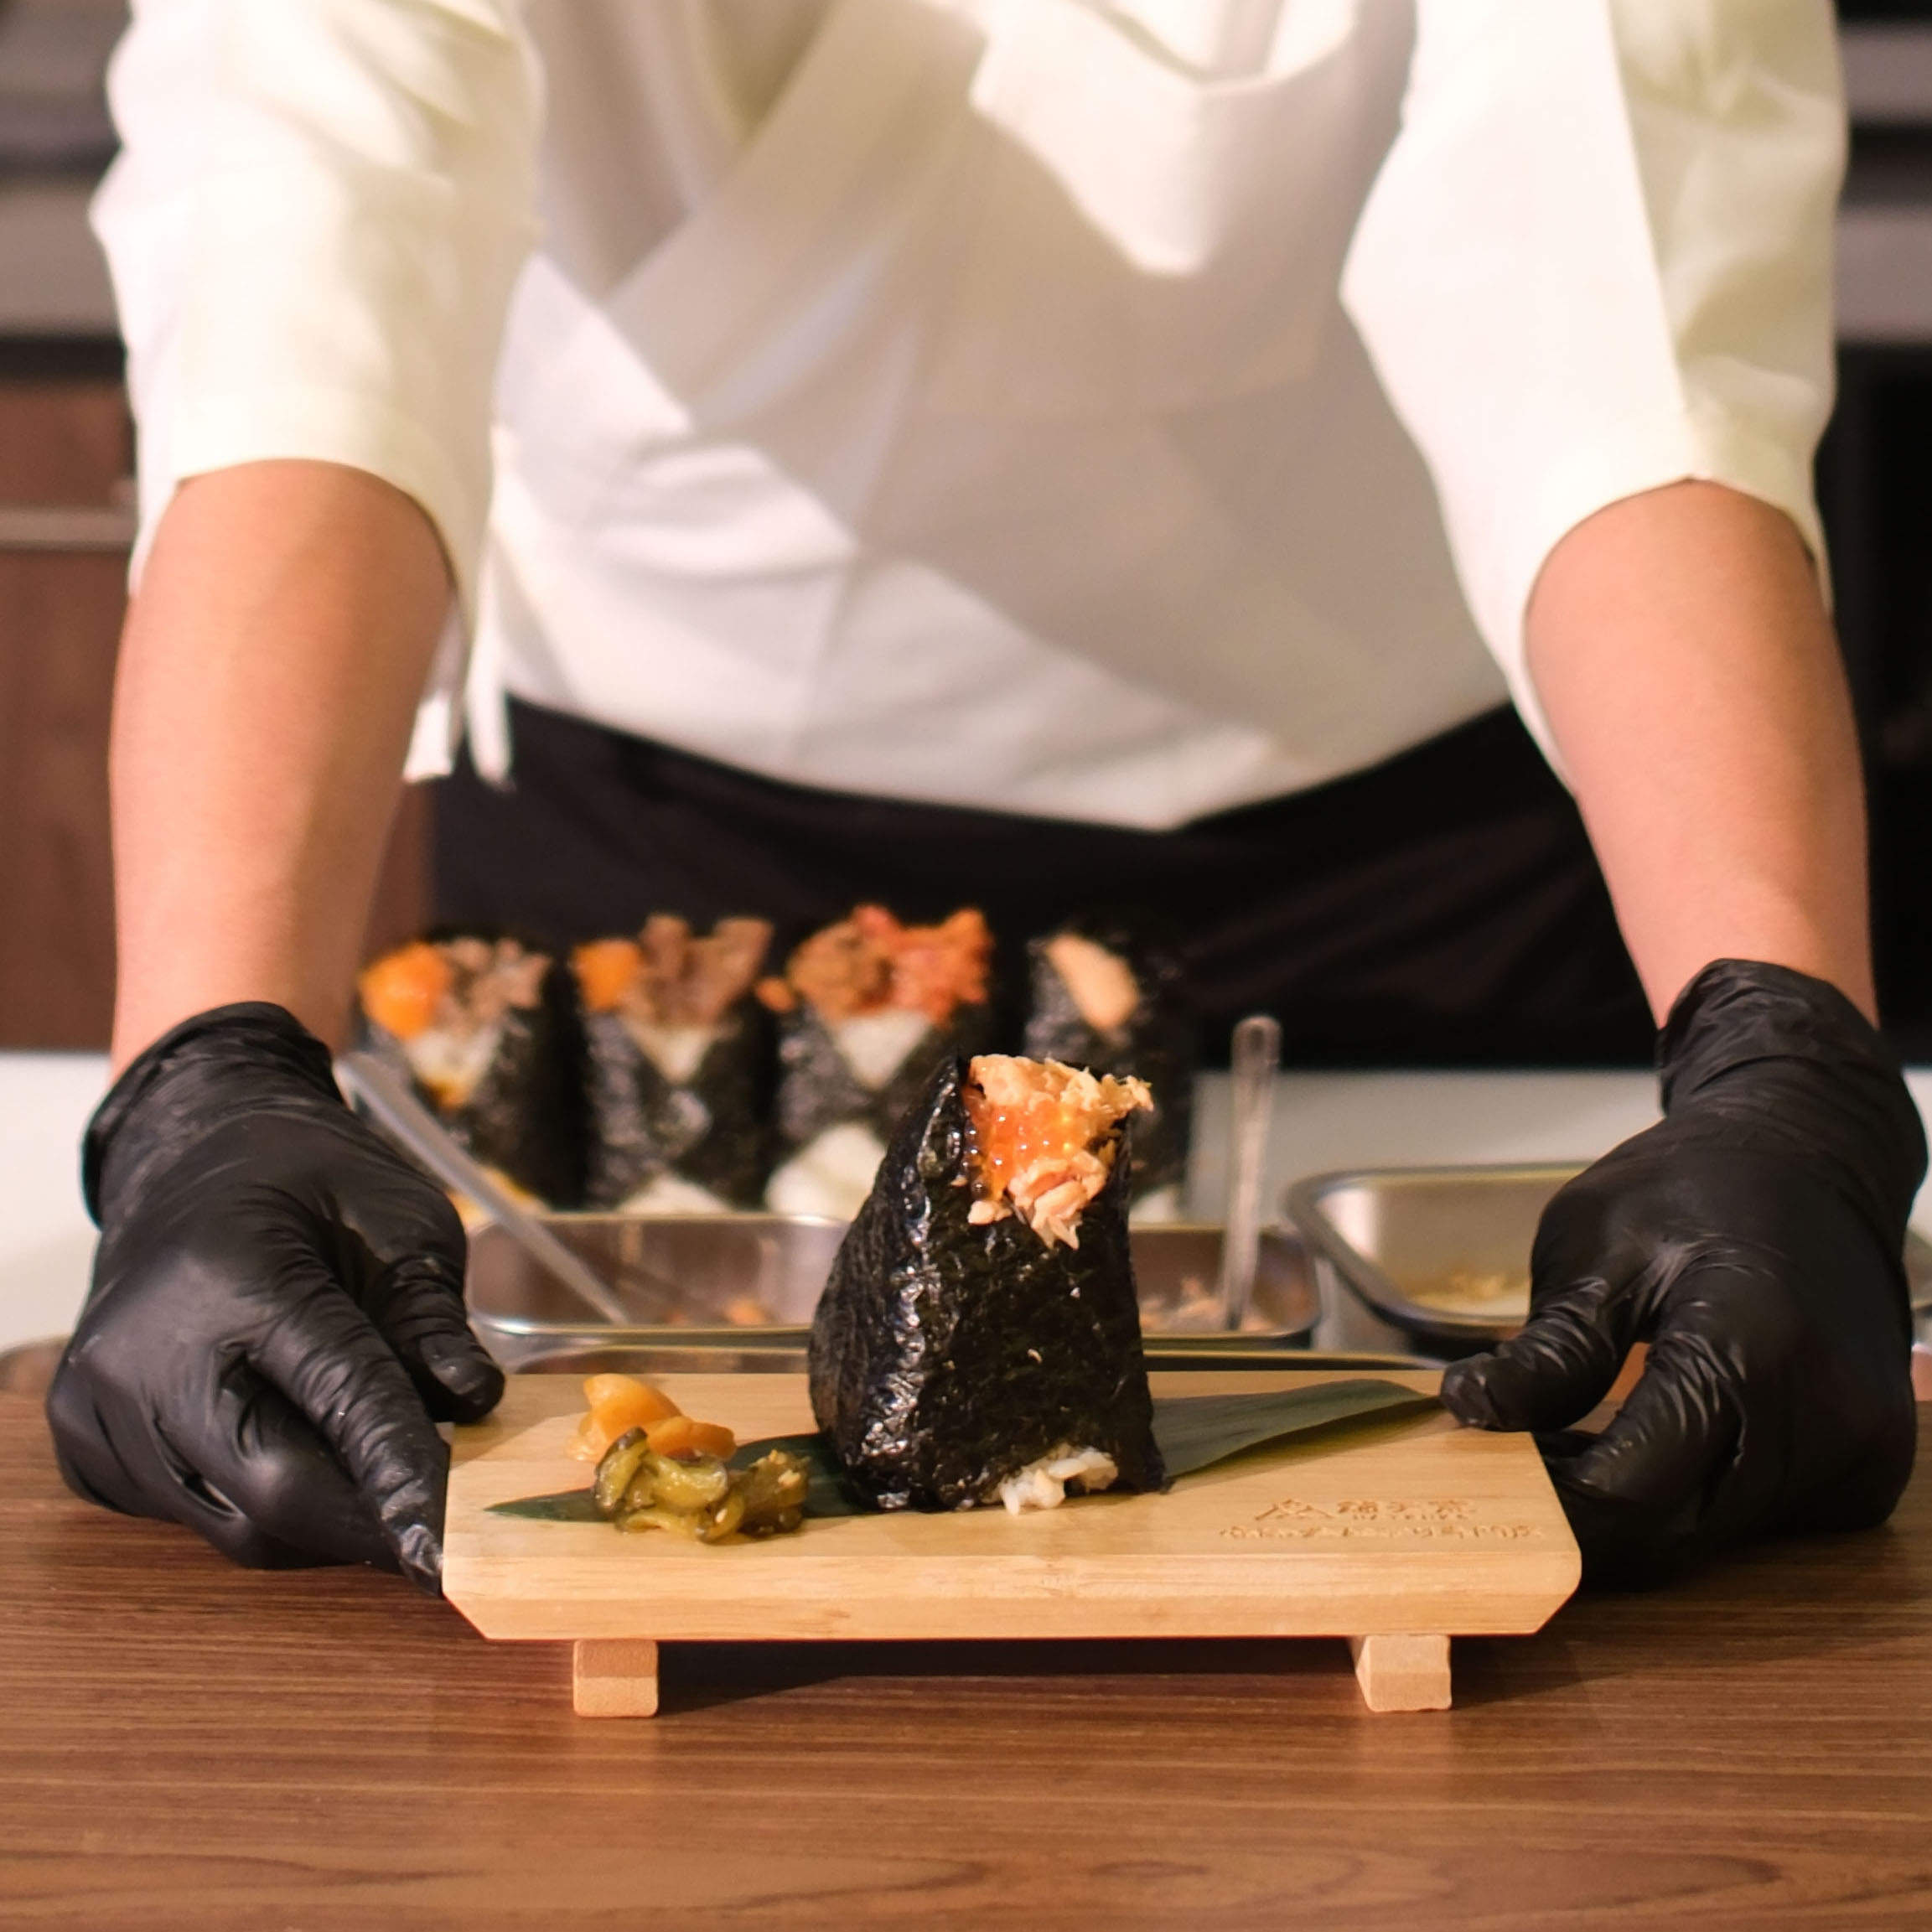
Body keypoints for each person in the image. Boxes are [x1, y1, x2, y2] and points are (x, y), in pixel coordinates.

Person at [48, 1, 1924, 1593]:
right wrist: (206, 1074)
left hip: (1402, 841)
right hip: (678, 907)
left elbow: (1625, 294)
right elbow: (307, 251)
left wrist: (1776, 1056)